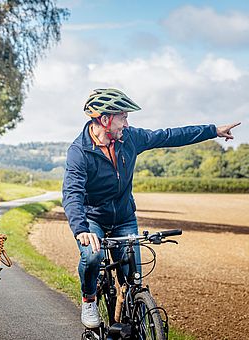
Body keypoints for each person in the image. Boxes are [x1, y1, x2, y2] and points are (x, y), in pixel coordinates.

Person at [62, 88, 241, 329]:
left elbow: (168, 136)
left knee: (132, 278)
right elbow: (72, 193)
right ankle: (89, 298)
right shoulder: (79, 152)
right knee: (92, 255)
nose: (127, 123)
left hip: (124, 217)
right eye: (123, 117)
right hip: (93, 219)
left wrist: (212, 131)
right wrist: (81, 229)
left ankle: (128, 321)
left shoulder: (130, 139)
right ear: (105, 120)